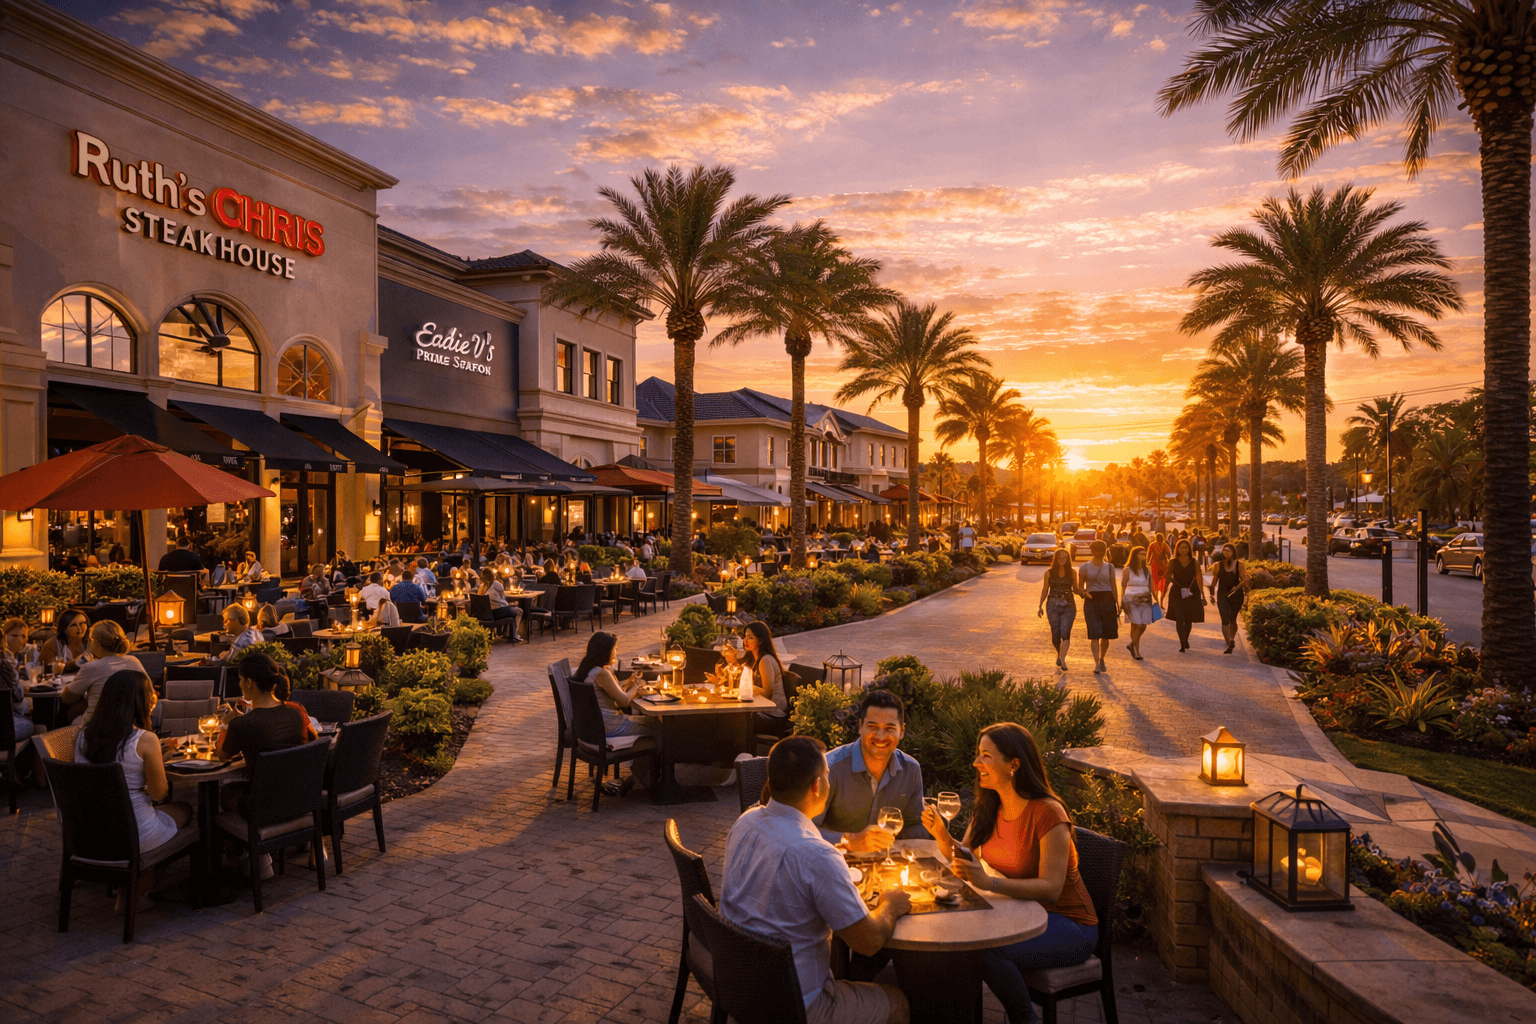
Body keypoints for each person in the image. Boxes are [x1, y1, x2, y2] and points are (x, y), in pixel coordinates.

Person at [720, 735, 912, 1024]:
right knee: (898, 1003)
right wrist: (890, 905)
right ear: (817, 786)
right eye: (827, 774)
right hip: (793, 1005)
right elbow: (869, 942)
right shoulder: (816, 855)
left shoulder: (746, 822)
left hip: (738, 980)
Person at [921, 723, 1097, 1024]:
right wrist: (941, 834)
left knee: (983, 950)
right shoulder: (989, 805)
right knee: (957, 937)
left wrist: (989, 882)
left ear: (1013, 764)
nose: (976, 762)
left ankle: (1025, 1019)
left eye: (986, 756)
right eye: (978, 754)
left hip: (1069, 925)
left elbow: (1051, 889)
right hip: (1019, 913)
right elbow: (964, 859)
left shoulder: (1049, 813)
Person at [76, 670, 194, 909]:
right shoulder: (145, 739)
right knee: (185, 810)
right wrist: (156, 761)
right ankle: (136, 893)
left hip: (90, 833)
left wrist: (157, 757)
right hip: (132, 833)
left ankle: (132, 887)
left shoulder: (83, 736)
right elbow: (159, 794)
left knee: (166, 814)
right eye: (150, 695)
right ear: (140, 700)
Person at [812, 690, 925, 852]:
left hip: (887, 863)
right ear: (860, 726)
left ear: (901, 731)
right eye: (873, 726)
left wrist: (935, 828)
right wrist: (848, 840)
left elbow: (915, 826)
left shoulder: (911, 769)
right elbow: (804, 829)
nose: (880, 736)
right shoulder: (829, 768)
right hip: (834, 860)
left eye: (889, 728)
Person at [573, 631, 654, 793]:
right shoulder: (602, 673)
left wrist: (627, 683)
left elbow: (608, 691)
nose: (615, 652)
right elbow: (624, 701)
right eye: (614, 649)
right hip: (611, 727)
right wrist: (636, 687)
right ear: (605, 652)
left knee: (652, 727)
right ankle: (644, 780)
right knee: (659, 729)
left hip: (596, 727)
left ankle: (639, 778)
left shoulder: (588, 669)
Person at [60, 621, 145, 722]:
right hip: (129, 723)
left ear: (94, 642)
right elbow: (148, 692)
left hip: (96, 725)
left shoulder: (91, 667)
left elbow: (67, 698)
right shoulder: (134, 661)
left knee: (66, 717)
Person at [1037, 548, 1085, 673]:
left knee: (1065, 633)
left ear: (1068, 559)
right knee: (1055, 635)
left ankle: (1063, 659)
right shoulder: (1049, 573)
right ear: (1056, 559)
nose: (1062, 559)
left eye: (1065, 557)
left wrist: (1083, 593)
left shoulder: (1072, 572)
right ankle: (1059, 653)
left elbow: (1076, 589)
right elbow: (1045, 589)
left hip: (1068, 606)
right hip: (1052, 606)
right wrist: (1040, 605)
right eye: (1060, 557)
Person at [1078, 540, 1119, 673]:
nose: (1099, 552)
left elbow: (1113, 586)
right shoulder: (1084, 567)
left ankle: (1102, 658)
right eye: (1096, 550)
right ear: (1092, 551)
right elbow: (1080, 587)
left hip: (1108, 599)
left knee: (1106, 634)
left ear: (1105, 550)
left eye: (1101, 550)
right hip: (1092, 600)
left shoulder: (1110, 567)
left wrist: (1117, 603)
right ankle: (1096, 662)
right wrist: (1083, 594)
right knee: (1094, 633)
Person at [1163, 538, 1207, 653]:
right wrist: (1169, 588)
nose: (1183, 550)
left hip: (1192, 592)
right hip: (1177, 592)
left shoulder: (1194, 561)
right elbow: (1167, 576)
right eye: (1181, 547)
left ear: (1189, 549)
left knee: (1188, 619)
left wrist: (1202, 593)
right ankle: (1182, 643)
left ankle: (1185, 638)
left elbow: (1199, 576)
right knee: (1179, 618)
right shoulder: (1172, 562)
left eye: (1186, 547)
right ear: (1177, 549)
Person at [1211, 543, 1249, 655]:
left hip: (1236, 595)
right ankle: (1229, 644)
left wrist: (1237, 587)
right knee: (1225, 620)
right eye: (1224, 550)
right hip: (1222, 594)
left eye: (1229, 550)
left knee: (1233, 619)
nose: (1226, 552)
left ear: (1233, 552)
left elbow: (1245, 579)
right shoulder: (1218, 565)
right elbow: (1214, 580)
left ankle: (1231, 639)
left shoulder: (1239, 565)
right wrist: (1211, 593)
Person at [1121, 547, 1155, 661]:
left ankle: (1132, 644)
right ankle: (1136, 651)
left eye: (1144, 554)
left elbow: (1151, 586)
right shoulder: (1127, 569)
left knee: (1143, 624)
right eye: (1140, 554)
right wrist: (1122, 601)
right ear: (1134, 555)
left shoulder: (1147, 570)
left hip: (1145, 598)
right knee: (1136, 624)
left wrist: (1157, 600)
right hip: (1131, 598)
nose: (1143, 556)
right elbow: (1123, 585)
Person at [1147, 530, 1171, 600]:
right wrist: (1168, 561)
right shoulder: (1165, 545)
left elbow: (1149, 554)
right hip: (1163, 564)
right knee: (1163, 579)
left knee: (1155, 580)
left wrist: (1148, 562)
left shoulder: (1152, 545)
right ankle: (1162, 595)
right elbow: (1169, 554)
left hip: (1155, 564)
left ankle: (1156, 595)